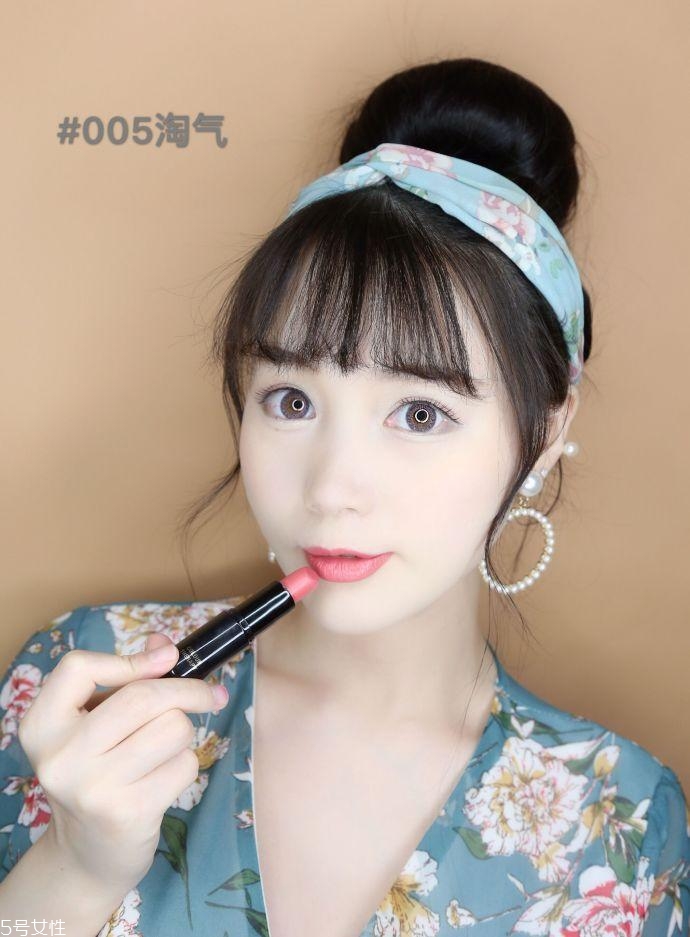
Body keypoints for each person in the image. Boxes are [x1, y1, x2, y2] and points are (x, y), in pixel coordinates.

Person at [1, 57, 688, 937]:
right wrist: (74, 866)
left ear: (546, 432)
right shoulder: (85, 681)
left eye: (420, 413)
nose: (329, 489)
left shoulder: (619, 823)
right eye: (291, 401)